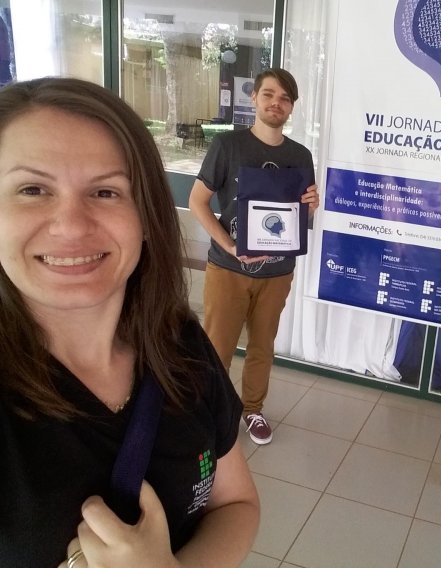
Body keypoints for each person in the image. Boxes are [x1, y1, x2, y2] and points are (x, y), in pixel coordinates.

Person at [0, 77, 259, 567]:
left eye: (106, 191)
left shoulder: (179, 343)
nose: (71, 226)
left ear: (145, 218)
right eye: (32, 189)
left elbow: (236, 503)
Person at [189, 68, 319, 446]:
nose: (276, 103)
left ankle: (253, 410)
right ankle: (212, 415)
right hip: (228, 268)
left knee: (263, 346)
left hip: (277, 273)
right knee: (218, 347)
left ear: (291, 107)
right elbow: (197, 202)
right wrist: (230, 246)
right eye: (269, 95)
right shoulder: (227, 146)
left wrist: (311, 206)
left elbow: (300, 218)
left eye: (285, 98)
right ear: (254, 99)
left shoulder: (300, 155)